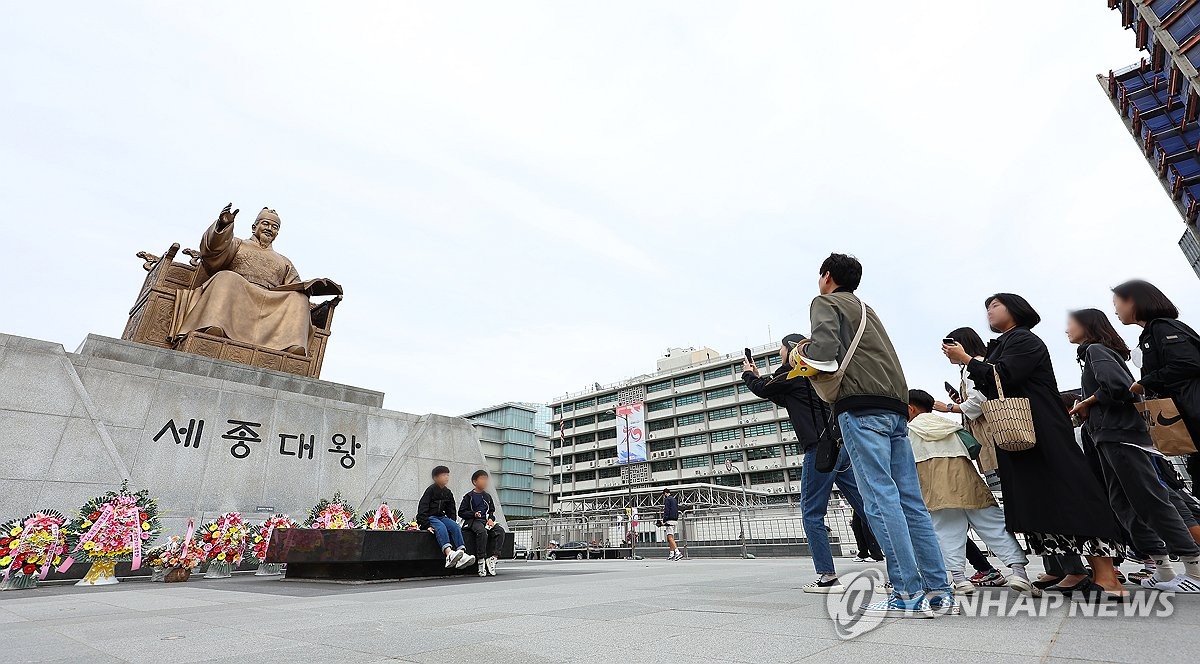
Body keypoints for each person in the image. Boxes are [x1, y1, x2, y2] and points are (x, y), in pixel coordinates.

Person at [796, 253, 952, 617]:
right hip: (896, 409)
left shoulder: (825, 301)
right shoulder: (869, 311)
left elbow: (823, 355)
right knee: (911, 502)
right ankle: (939, 592)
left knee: (880, 500)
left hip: (861, 408)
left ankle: (906, 592)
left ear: (827, 275)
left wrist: (799, 354)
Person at [946, 293, 1124, 598]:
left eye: (995, 305)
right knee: (1043, 499)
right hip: (1021, 433)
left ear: (1016, 309)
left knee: (1071, 491)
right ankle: (1071, 569)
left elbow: (1004, 375)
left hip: (1042, 427)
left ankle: (1107, 575)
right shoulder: (1002, 344)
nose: (989, 311)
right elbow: (992, 384)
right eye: (987, 307)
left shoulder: (1024, 340)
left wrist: (967, 360)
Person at [1067, 307, 1200, 593]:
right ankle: (1162, 568)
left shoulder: (1096, 351)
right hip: (1109, 435)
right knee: (1125, 504)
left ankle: (1195, 568)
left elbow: (1119, 387)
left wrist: (1087, 402)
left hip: (1121, 435)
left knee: (1150, 499)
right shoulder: (1094, 353)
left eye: (1071, 324)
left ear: (1088, 326)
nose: (1066, 329)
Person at [744, 333, 873, 592]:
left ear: (791, 350)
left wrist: (749, 374)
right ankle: (899, 564)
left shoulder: (793, 374)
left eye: (781, 350)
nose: (780, 354)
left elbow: (763, 389)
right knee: (866, 506)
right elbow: (780, 395)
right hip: (841, 447)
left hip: (820, 450)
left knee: (812, 513)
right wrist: (762, 378)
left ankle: (827, 575)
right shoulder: (817, 373)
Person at [906, 389, 1035, 596]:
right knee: (995, 527)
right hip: (969, 484)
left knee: (946, 532)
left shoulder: (910, 431)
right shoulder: (953, 427)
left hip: (936, 490)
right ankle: (1020, 574)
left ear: (910, 408)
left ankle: (960, 580)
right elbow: (974, 449)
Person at [1113, 279, 1200, 498]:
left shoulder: (1162, 327)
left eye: (1117, 303)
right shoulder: (1153, 332)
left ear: (1132, 301)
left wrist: (1145, 382)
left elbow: (1187, 363)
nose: (1115, 310)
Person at [935, 327, 999, 485]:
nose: (946, 351)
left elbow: (978, 402)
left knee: (998, 481)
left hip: (988, 431)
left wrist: (949, 408)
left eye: (949, 346)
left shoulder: (973, 365)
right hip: (991, 430)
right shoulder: (979, 362)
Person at [417, 465, 476, 570]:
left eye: (447, 475)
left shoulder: (448, 492)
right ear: (435, 478)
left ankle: (461, 554)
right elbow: (422, 508)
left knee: (455, 526)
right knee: (440, 527)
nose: (446, 477)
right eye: (443, 475)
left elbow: (451, 510)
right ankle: (448, 554)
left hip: (441, 517)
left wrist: (451, 521)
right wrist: (425, 524)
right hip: (431, 517)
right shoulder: (430, 490)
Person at [458, 469, 506, 577]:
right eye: (482, 479)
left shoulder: (488, 497)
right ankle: (481, 560)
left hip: (486, 521)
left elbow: (491, 511)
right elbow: (461, 512)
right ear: (475, 481)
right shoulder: (468, 496)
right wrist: (473, 514)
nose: (485, 482)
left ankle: (493, 558)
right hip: (473, 522)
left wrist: (491, 519)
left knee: (500, 531)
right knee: (482, 532)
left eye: (486, 479)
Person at [661, 488, 682, 561]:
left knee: (670, 537)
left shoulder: (667, 500)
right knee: (670, 538)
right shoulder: (674, 499)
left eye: (664, 495)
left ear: (665, 493)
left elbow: (666, 510)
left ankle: (677, 552)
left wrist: (664, 520)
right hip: (675, 520)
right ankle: (671, 553)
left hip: (669, 520)